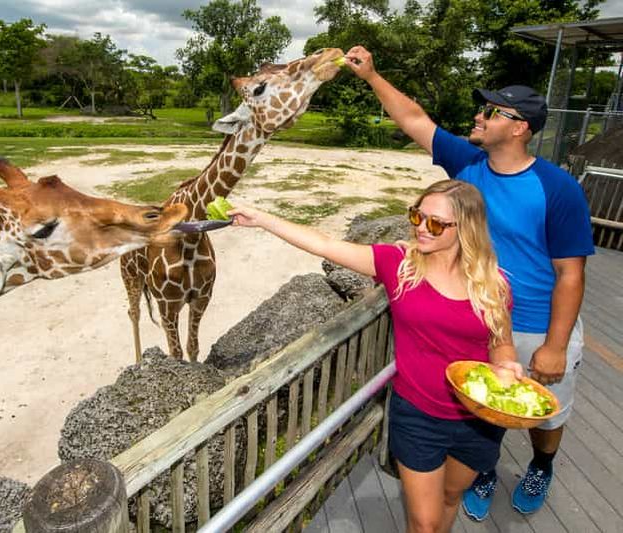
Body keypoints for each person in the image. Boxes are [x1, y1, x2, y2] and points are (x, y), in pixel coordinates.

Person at [342, 46, 595, 520]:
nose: (478, 115)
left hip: (534, 323)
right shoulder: (467, 166)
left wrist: (555, 344)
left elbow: (571, 273)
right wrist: (372, 75)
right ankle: (481, 468)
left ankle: (542, 464)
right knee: (480, 406)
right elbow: (414, 119)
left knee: (545, 413)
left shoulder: (557, 188)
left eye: (492, 111)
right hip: (470, 309)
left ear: (519, 128)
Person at [229, 179, 525, 533]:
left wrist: (506, 362)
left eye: (435, 223)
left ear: (466, 229)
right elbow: (325, 244)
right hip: (419, 414)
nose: (420, 228)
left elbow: (500, 341)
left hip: (479, 417)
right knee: (425, 523)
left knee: (450, 498)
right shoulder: (398, 264)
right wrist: (262, 218)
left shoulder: (494, 283)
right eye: (418, 216)